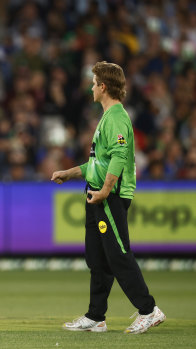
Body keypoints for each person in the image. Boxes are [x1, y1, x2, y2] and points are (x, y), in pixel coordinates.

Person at [51, 61, 165, 334]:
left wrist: (104, 191)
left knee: (118, 255)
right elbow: (98, 164)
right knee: (98, 258)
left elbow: (118, 157)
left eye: (93, 83)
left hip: (109, 197)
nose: (91, 87)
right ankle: (96, 316)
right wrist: (70, 173)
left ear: (103, 87)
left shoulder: (116, 117)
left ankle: (149, 310)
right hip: (97, 194)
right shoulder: (107, 117)